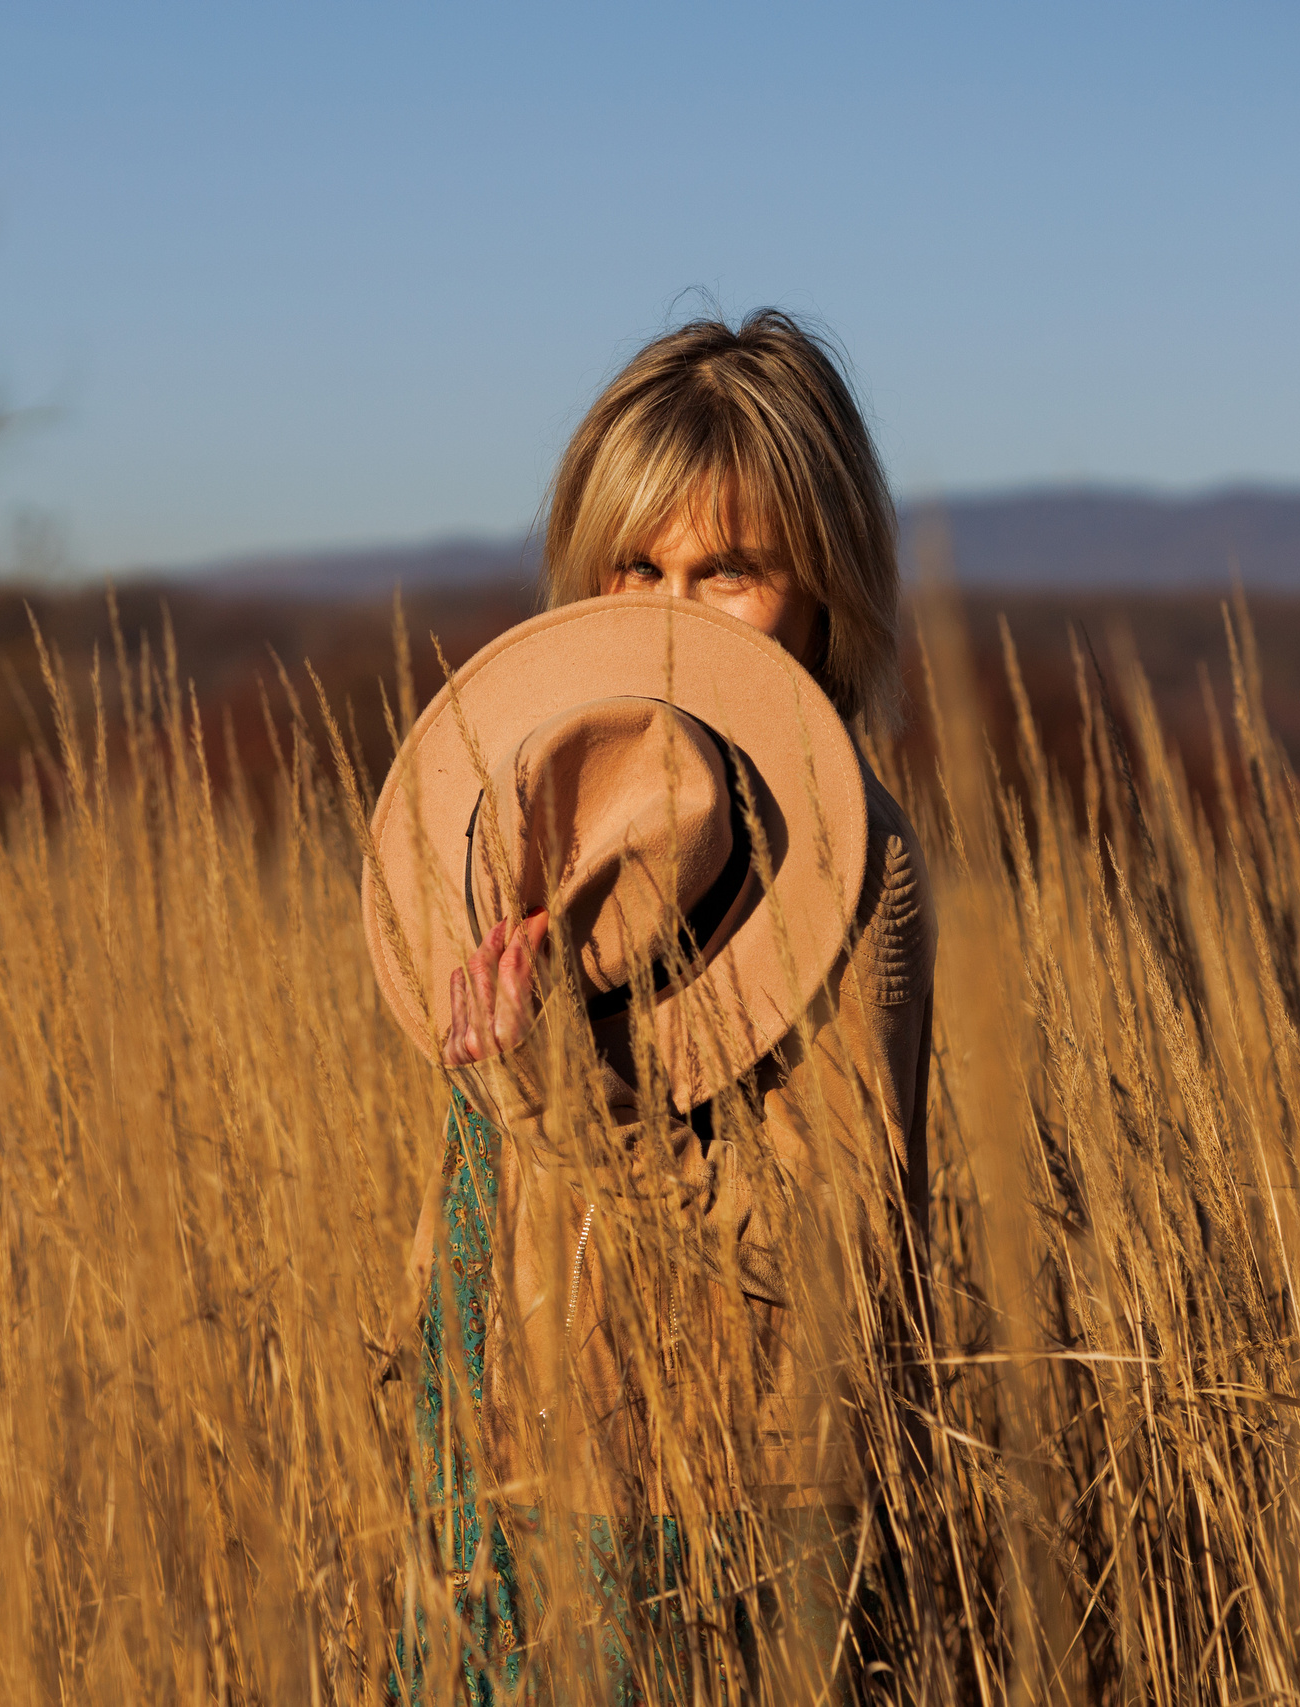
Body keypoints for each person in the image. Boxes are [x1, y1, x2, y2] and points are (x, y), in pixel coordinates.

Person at [364, 312, 933, 1703]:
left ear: (823, 588)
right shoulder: (551, 818)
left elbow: (831, 1251)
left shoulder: (860, 864)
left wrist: (573, 1095)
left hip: (728, 1521)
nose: (674, 614)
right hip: (505, 1492)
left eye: (729, 571)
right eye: (639, 566)